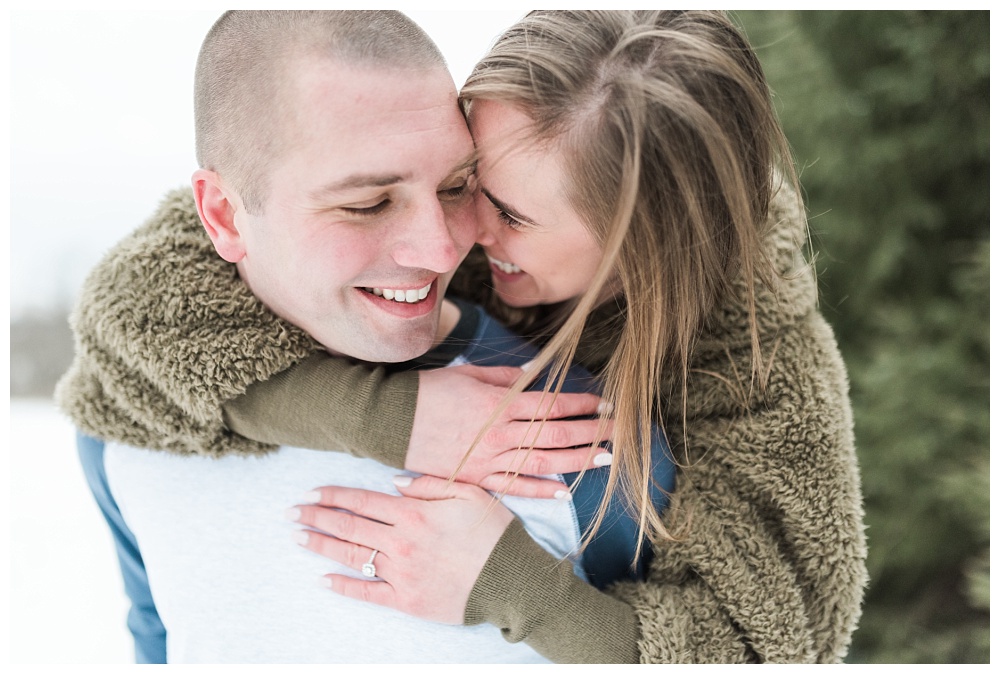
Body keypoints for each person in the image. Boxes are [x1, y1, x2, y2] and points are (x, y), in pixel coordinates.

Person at [61, 9, 867, 664]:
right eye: (465, 180)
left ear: (639, 247)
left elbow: (769, 645)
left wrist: (513, 583)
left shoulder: (751, 381)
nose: (453, 239)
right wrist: (388, 415)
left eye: (503, 211)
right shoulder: (434, 224)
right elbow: (133, 312)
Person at [56, 10, 628, 664]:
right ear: (222, 214)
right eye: (366, 204)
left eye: (455, 185)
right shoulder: (130, 427)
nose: (442, 249)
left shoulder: (582, 436)